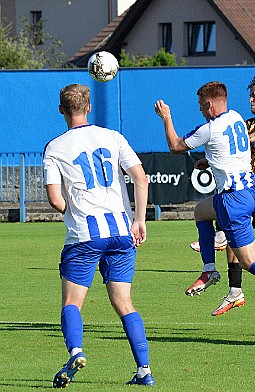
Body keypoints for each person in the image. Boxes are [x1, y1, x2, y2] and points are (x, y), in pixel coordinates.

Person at [155, 80, 255, 331]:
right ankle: (218, 273)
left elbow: (175, 146)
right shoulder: (238, 118)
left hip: (237, 198)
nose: (199, 110)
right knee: (200, 211)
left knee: (250, 261)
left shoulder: (213, 127)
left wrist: (166, 117)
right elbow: (234, 144)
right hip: (249, 192)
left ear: (209, 104)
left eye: (200, 105)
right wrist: (211, 159)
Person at [43, 84, 155, 387]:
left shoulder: (55, 147)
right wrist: (139, 220)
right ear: (89, 107)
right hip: (121, 231)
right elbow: (140, 178)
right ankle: (144, 369)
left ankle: (76, 351)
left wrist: (72, 211)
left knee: (72, 302)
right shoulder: (113, 137)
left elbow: (55, 199)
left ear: (61, 111)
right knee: (124, 302)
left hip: (84, 235)